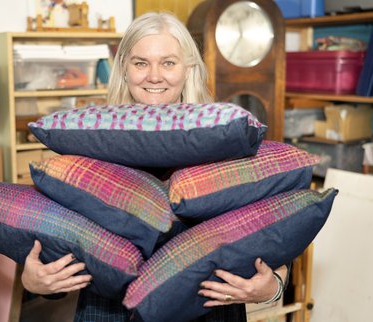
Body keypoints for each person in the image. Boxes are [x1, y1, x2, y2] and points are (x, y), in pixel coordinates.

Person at [21, 12, 289, 322]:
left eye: (168, 63)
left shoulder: (225, 142)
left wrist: (273, 288)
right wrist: (34, 282)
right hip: (110, 313)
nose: (154, 76)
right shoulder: (89, 146)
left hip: (208, 311)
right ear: (124, 69)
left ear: (188, 69)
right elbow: (59, 248)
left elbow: (274, 236)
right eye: (140, 63)